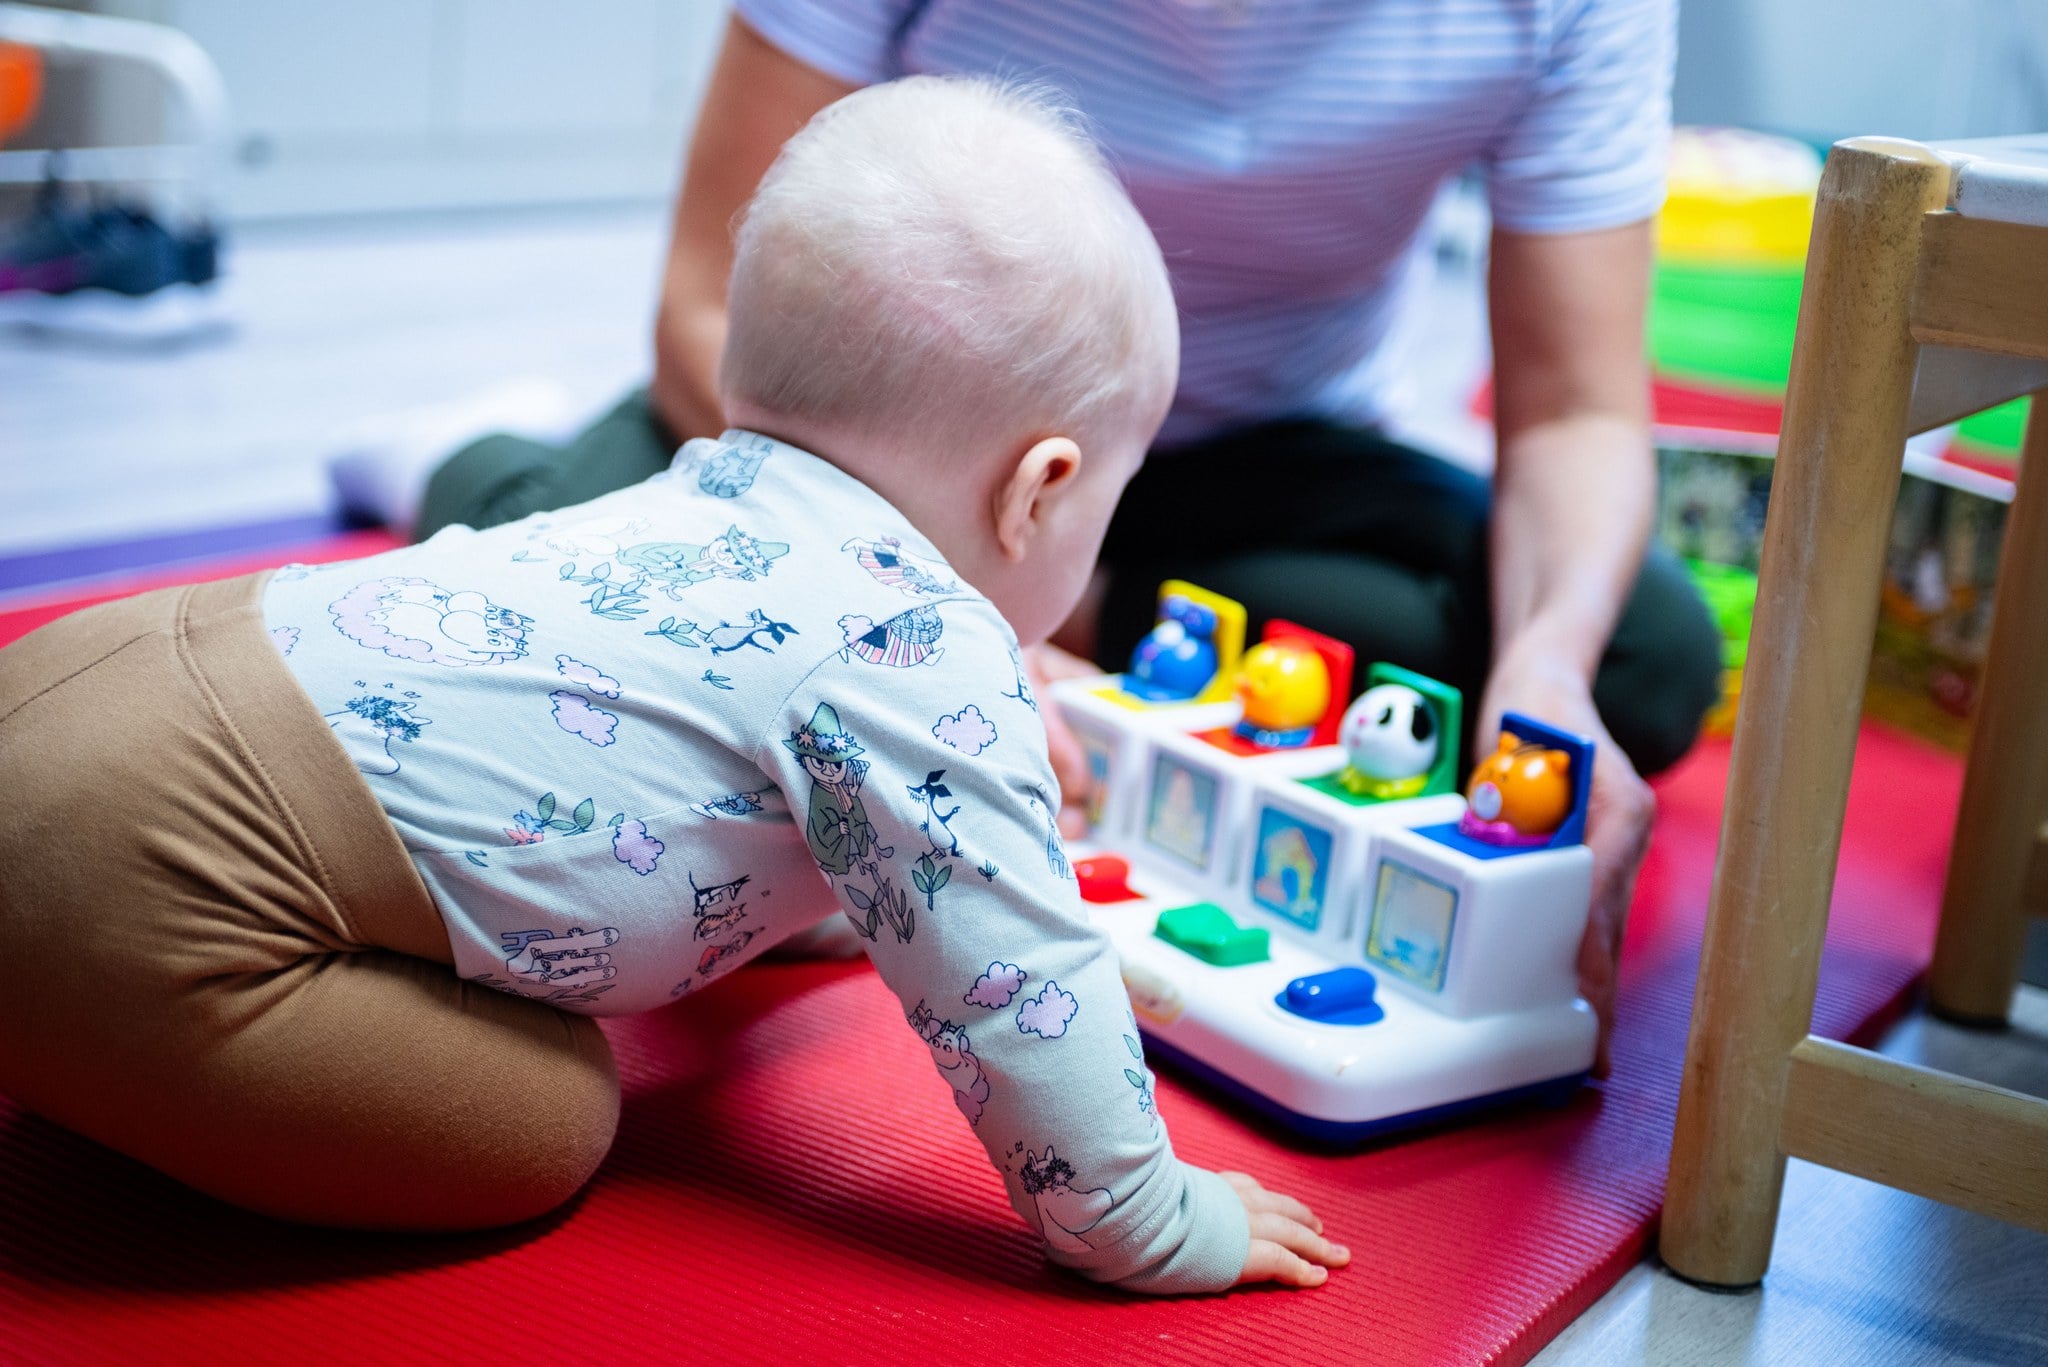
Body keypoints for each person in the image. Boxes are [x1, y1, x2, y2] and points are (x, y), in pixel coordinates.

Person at [0, 76, 1346, 1295]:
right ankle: (63, 1020)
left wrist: (909, 893)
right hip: (127, 893)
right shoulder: (921, 647)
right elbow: (1012, 986)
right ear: (1043, 487)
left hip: (88, 676)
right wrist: (1154, 1219)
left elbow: (801, 821)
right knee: (540, 1118)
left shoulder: (682, 509)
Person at [405, 2, 1721, 1070]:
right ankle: (480, 459)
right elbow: (707, 301)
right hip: (893, 452)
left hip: (1265, 461)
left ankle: (1080, 609)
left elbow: (1575, 410)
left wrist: (1543, 669)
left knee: (1639, 660)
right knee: (562, 586)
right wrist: (920, 614)